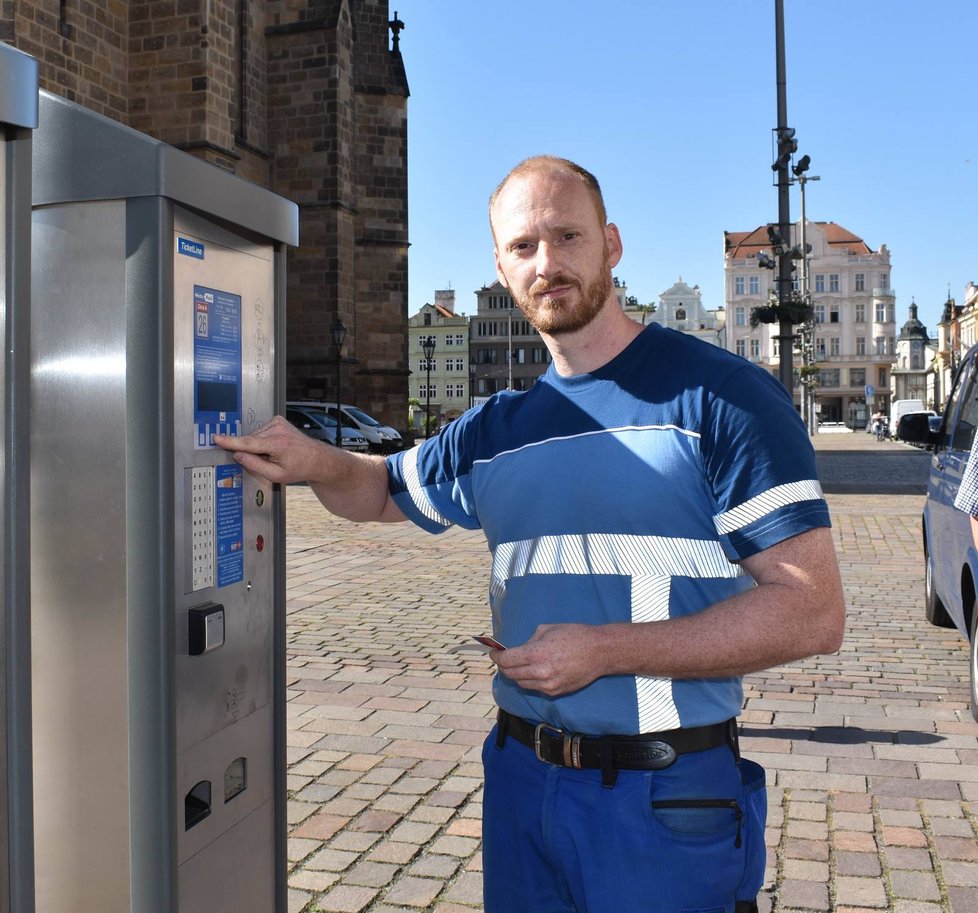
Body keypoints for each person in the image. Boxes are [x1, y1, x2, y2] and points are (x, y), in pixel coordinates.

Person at [216, 155, 846, 913]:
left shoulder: (723, 397)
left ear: (611, 244)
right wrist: (313, 458)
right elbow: (380, 490)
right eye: (523, 247)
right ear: (501, 269)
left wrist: (605, 650)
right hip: (521, 783)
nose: (547, 263)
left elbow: (813, 610)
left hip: (664, 799)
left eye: (567, 235)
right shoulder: (496, 428)